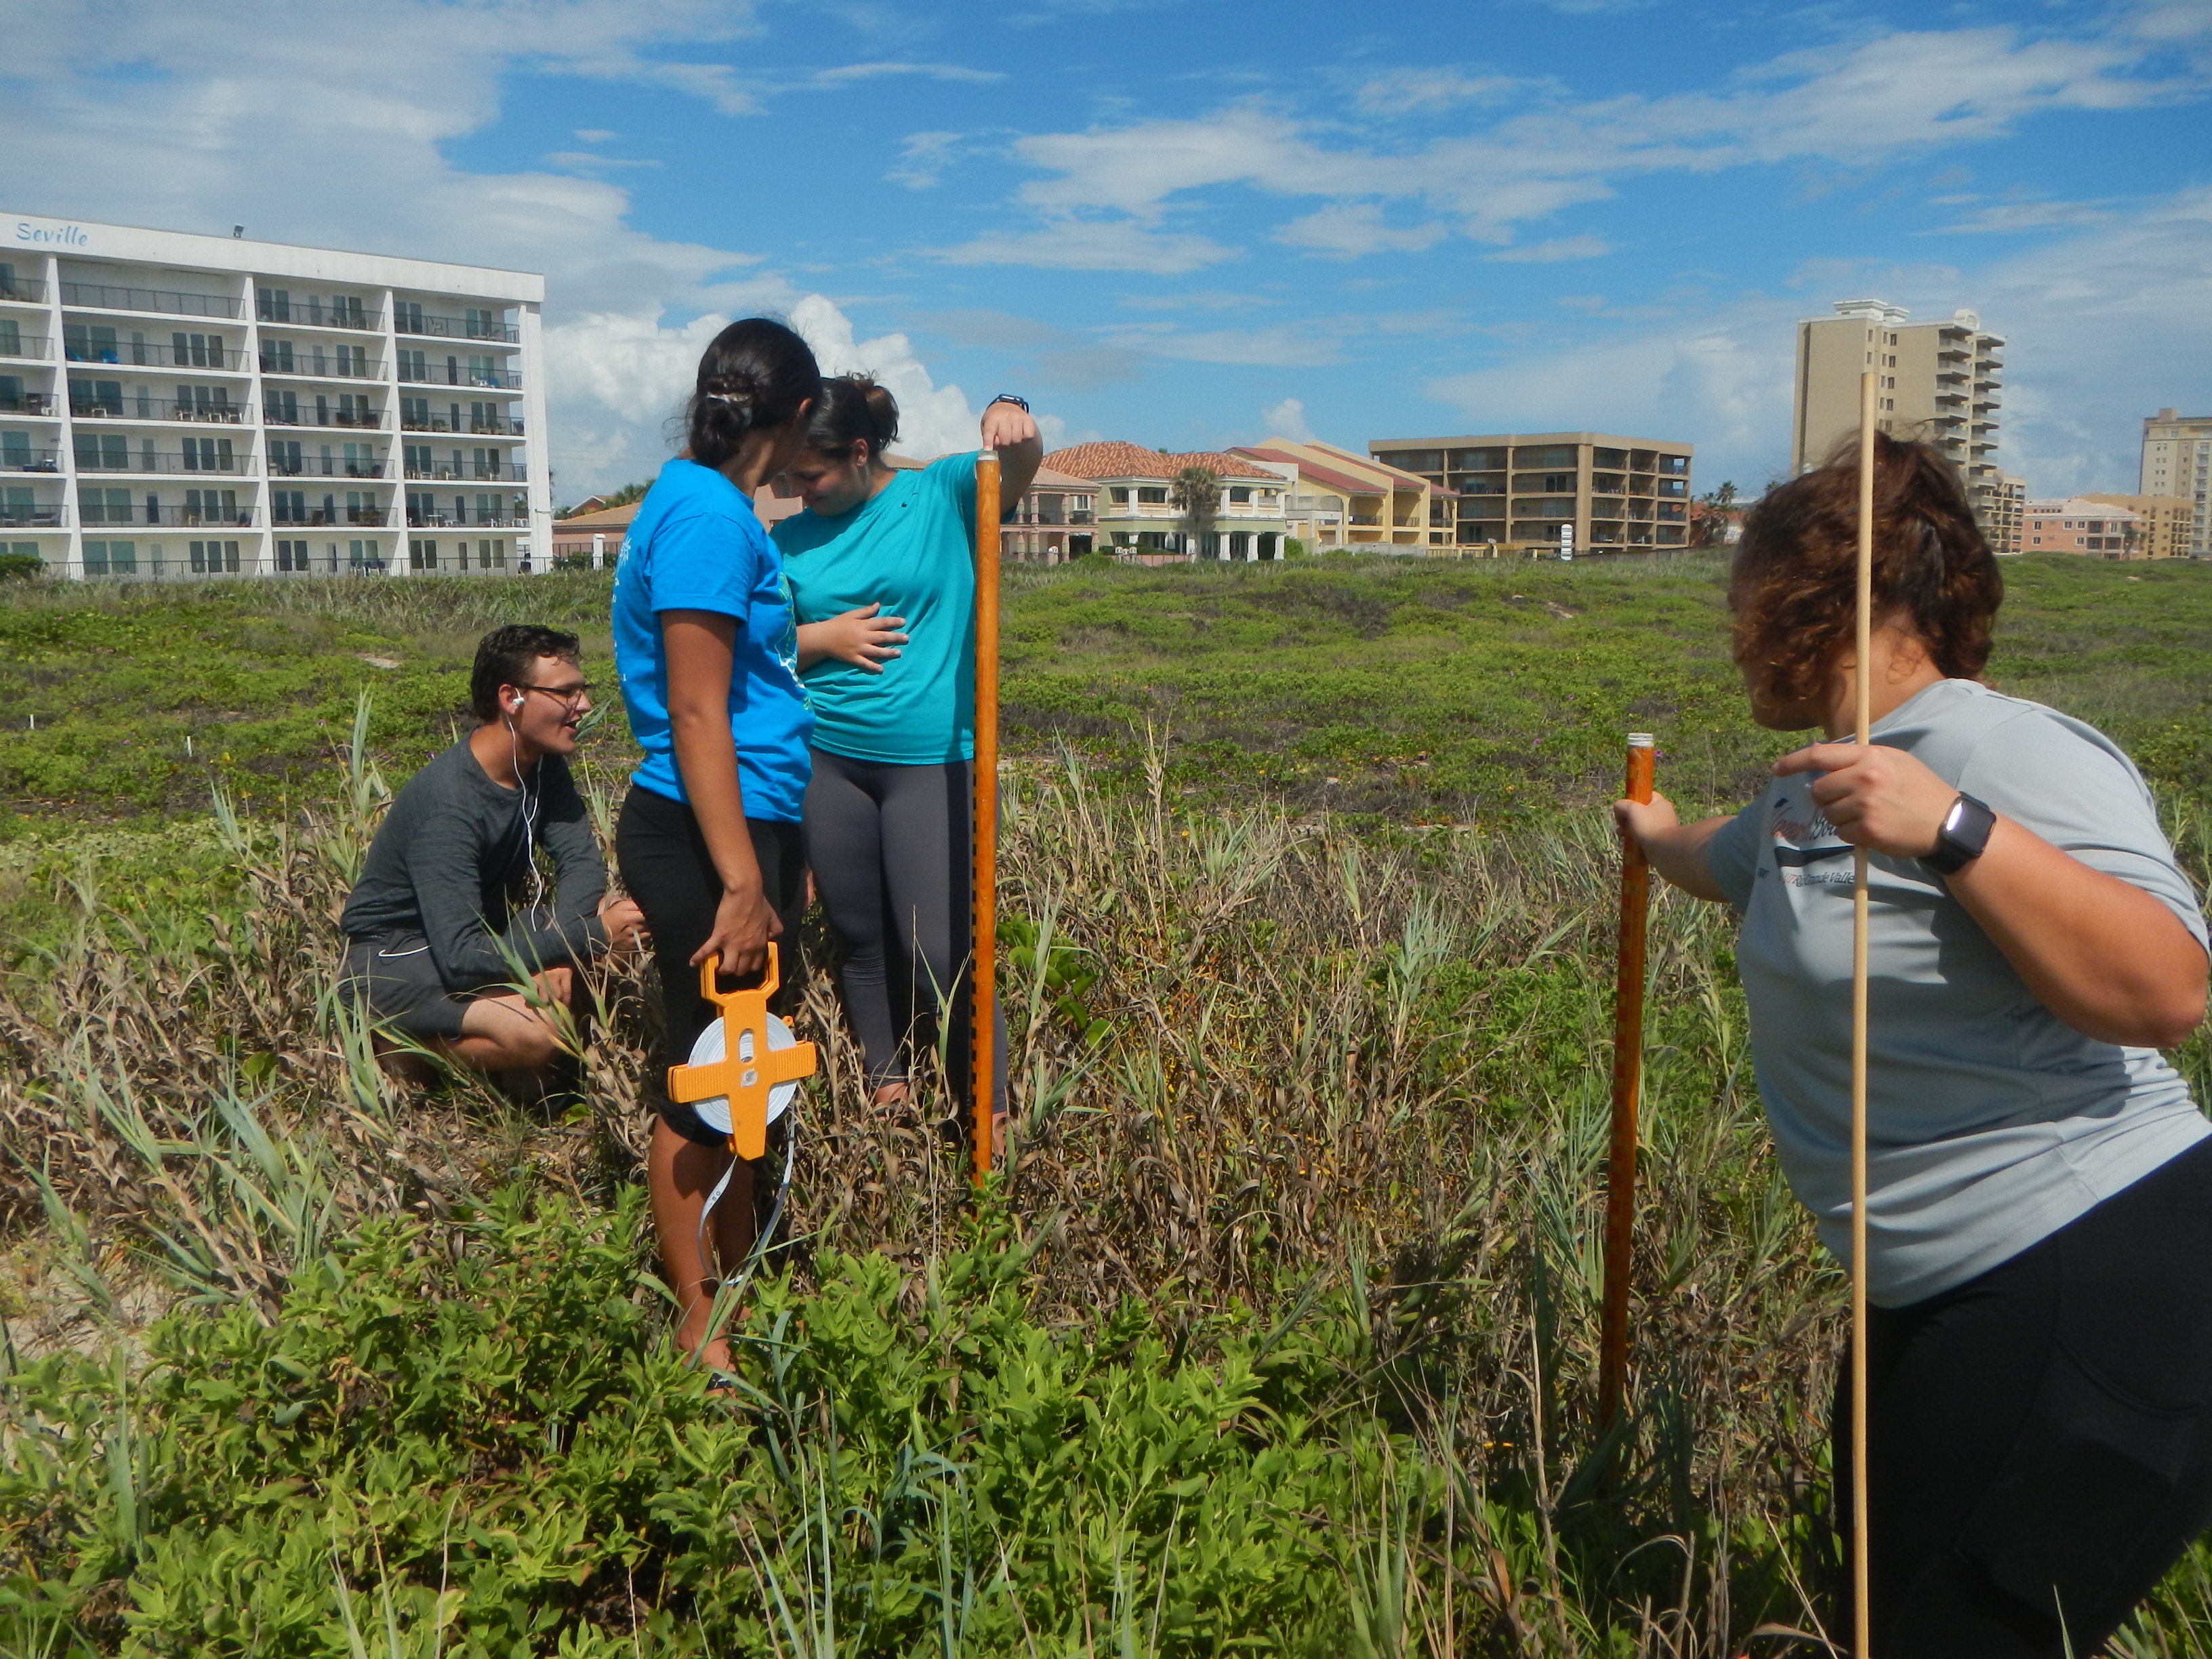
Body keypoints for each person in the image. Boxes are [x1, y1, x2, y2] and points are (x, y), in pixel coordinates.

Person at [1614, 434, 2212, 1658]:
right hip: (1926, 1296)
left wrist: (1947, 828)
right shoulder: (1806, 788)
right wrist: (1655, 833)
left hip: (2089, 1279)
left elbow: (2164, 989)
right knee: (1876, 1622)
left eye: (1738, 599)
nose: (1730, 635)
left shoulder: (2004, 753)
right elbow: (1728, 862)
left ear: (1808, 601)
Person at [610, 317, 821, 1374]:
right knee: (706, 1080)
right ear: (793, 416)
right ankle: (701, 1323)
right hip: (705, 840)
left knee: (749, 1079)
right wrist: (742, 878)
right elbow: (696, 714)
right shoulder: (703, 517)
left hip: (744, 828)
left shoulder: (718, 508)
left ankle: (736, 1285)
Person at [773, 377, 1039, 1132]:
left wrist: (1012, 410)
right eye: (790, 476)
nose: (799, 490)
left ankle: (989, 1107)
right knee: (859, 935)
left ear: (860, 453)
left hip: (932, 760)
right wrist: (821, 641)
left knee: (939, 947)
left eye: (812, 475)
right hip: (829, 758)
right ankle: (888, 1086)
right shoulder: (785, 540)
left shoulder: (942, 493)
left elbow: (1014, 468)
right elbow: (751, 650)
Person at [340, 624, 644, 1090]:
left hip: (474, 939)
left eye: (583, 690)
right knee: (538, 1033)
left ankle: (525, 1082)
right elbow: (461, 956)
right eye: (565, 693)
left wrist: (564, 951)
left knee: (615, 915)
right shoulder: (449, 803)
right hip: (397, 958)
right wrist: (586, 940)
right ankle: (406, 1051)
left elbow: (581, 862)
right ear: (511, 698)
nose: (583, 706)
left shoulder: (541, 765)